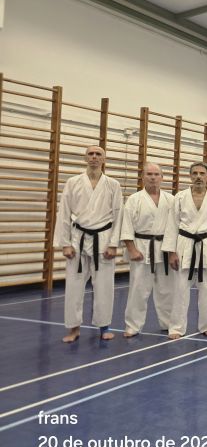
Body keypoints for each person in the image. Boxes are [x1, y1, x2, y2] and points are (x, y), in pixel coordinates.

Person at [54, 145, 123, 342]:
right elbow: (64, 213)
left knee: (104, 286)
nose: (94, 157)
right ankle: (73, 328)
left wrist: (113, 244)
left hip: (103, 239)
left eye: (98, 154)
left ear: (104, 159)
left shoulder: (113, 184)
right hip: (78, 239)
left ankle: (104, 327)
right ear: (85, 158)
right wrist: (65, 243)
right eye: (90, 154)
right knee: (73, 286)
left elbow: (119, 215)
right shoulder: (73, 182)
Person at [163, 162, 207, 339]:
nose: (198, 176)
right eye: (195, 173)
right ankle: (176, 327)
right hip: (184, 245)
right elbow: (172, 225)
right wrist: (171, 252)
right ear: (190, 176)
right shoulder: (180, 197)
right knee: (180, 289)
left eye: (202, 173)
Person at [120, 162, 176, 337]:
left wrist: (173, 251)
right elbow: (126, 226)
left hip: (165, 249)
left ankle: (168, 323)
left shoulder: (171, 200)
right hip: (142, 248)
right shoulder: (134, 199)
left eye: (156, 174)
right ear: (143, 177)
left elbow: (176, 227)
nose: (153, 177)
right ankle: (133, 325)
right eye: (149, 174)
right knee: (138, 289)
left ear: (162, 177)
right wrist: (132, 249)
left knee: (167, 290)